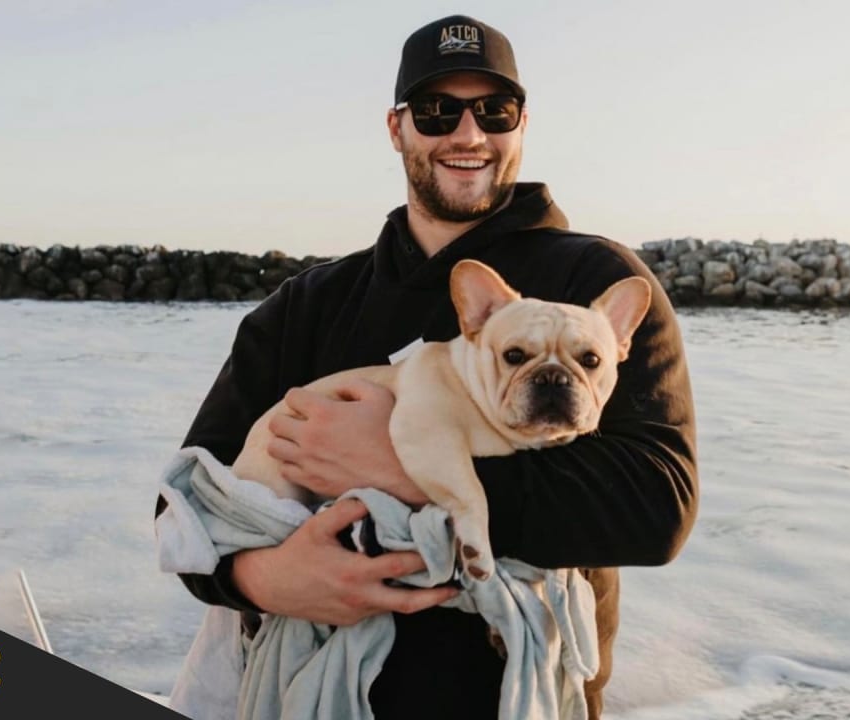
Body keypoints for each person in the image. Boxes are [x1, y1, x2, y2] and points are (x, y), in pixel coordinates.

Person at [156, 14, 698, 720]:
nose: (467, 135)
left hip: (513, 697)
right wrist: (263, 579)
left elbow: (657, 508)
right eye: (438, 112)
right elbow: (186, 503)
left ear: (522, 124)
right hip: (308, 694)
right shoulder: (310, 303)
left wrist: (402, 462)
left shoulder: (597, 281)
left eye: (492, 111)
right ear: (397, 128)